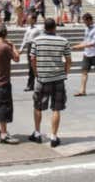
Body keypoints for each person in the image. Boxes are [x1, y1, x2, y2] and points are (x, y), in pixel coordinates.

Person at [29, 18, 71, 148]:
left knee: (38, 106)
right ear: (55, 28)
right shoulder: (63, 41)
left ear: (44, 28)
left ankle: (37, 133)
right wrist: (65, 72)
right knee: (56, 108)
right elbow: (69, 60)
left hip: (42, 78)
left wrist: (36, 73)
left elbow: (33, 59)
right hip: (58, 78)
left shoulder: (37, 41)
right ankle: (53, 136)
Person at [0, 25, 20, 145]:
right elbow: (17, 58)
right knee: (3, 107)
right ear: (5, 34)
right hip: (2, 81)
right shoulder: (5, 47)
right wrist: (13, 46)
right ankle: (4, 134)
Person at [20, 13, 42, 91]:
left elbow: (42, 38)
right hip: (29, 47)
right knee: (30, 66)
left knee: (34, 66)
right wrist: (21, 48)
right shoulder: (28, 28)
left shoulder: (38, 29)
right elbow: (25, 39)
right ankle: (31, 85)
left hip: (35, 47)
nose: (28, 20)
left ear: (34, 19)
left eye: (30, 18)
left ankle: (35, 84)